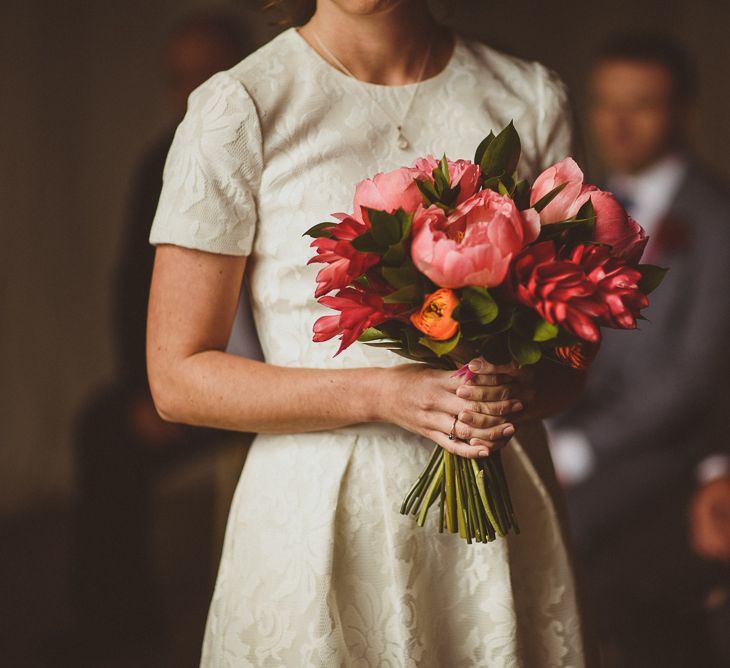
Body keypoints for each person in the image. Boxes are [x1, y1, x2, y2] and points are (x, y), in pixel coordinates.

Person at [147, 1, 590, 664]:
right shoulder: (240, 107)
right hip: (321, 518)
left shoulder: (526, 96)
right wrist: (383, 394)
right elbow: (179, 379)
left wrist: (522, 386)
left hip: (496, 521)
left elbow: (574, 341)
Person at [71, 12, 253, 650]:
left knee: (105, 436)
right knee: (105, 428)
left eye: (209, 74)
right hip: (192, 374)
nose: (196, 92)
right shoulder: (163, 162)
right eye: (182, 79)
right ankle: (116, 630)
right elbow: (130, 286)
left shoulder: (276, 154)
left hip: (269, 377)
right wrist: (146, 388)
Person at [549, 34, 730, 667]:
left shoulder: (716, 219)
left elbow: (692, 376)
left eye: (643, 104)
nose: (618, 123)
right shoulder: (574, 213)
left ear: (685, 113)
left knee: (557, 530)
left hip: (667, 451)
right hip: (565, 425)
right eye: (605, 103)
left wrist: (580, 447)